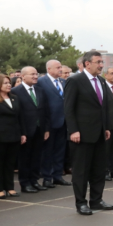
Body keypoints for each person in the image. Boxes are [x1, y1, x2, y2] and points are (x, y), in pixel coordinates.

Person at [64, 51, 113, 216]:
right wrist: (73, 130)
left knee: (98, 169)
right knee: (81, 171)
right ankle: (81, 203)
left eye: (101, 62)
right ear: (87, 64)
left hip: (99, 132)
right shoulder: (75, 80)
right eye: (98, 62)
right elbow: (68, 108)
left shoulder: (101, 81)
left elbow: (103, 107)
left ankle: (96, 200)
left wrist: (106, 127)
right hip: (82, 134)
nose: (101, 65)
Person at [0, 74, 26, 199]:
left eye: (9, 83)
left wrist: (23, 133)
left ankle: (10, 187)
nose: (9, 85)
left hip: (14, 135)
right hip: (0, 137)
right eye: (5, 83)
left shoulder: (14, 98)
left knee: (10, 163)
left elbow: (21, 118)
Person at [12, 66, 50, 193]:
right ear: (23, 76)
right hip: (25, 131)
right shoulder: (15, 91)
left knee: (36, 157)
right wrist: (21, 132)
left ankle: (34, 181)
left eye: (36, 74)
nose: (35, 76)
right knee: (25, 158)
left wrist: (46, 129)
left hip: (39, 129)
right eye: (32, 74)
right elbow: (16, 114)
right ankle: (25, 183)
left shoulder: (40, 90)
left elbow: (46, 110)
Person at [37, 60, 71, 188]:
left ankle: (57, 176)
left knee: (60, 150)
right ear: (49, 69)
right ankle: (47, 177)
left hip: (63, 122)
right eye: (57, 67)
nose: (60, 69)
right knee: (47, 151)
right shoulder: (41, 82)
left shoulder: (63, 82)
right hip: (49, 123)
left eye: (61, 67)